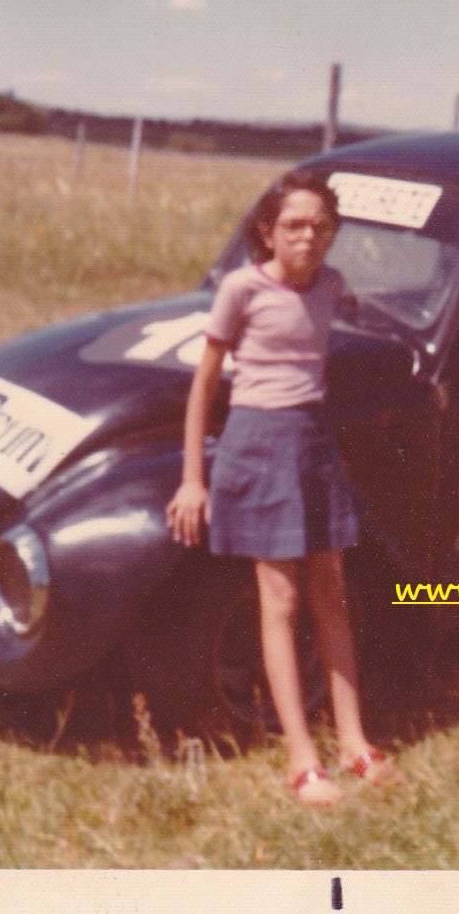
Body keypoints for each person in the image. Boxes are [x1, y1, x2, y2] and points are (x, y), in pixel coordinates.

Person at [166, 170, 402, 805]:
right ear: (268, 232)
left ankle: (354, 744)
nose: (309, 237)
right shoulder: (240, 290)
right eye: (294, 225)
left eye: (322, 226)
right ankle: (302, 760)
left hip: (313, 443)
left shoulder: (331, 286)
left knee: (333, 593)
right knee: (280, 601)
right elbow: (204, 385)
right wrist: (194, 479)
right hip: (258, 445)